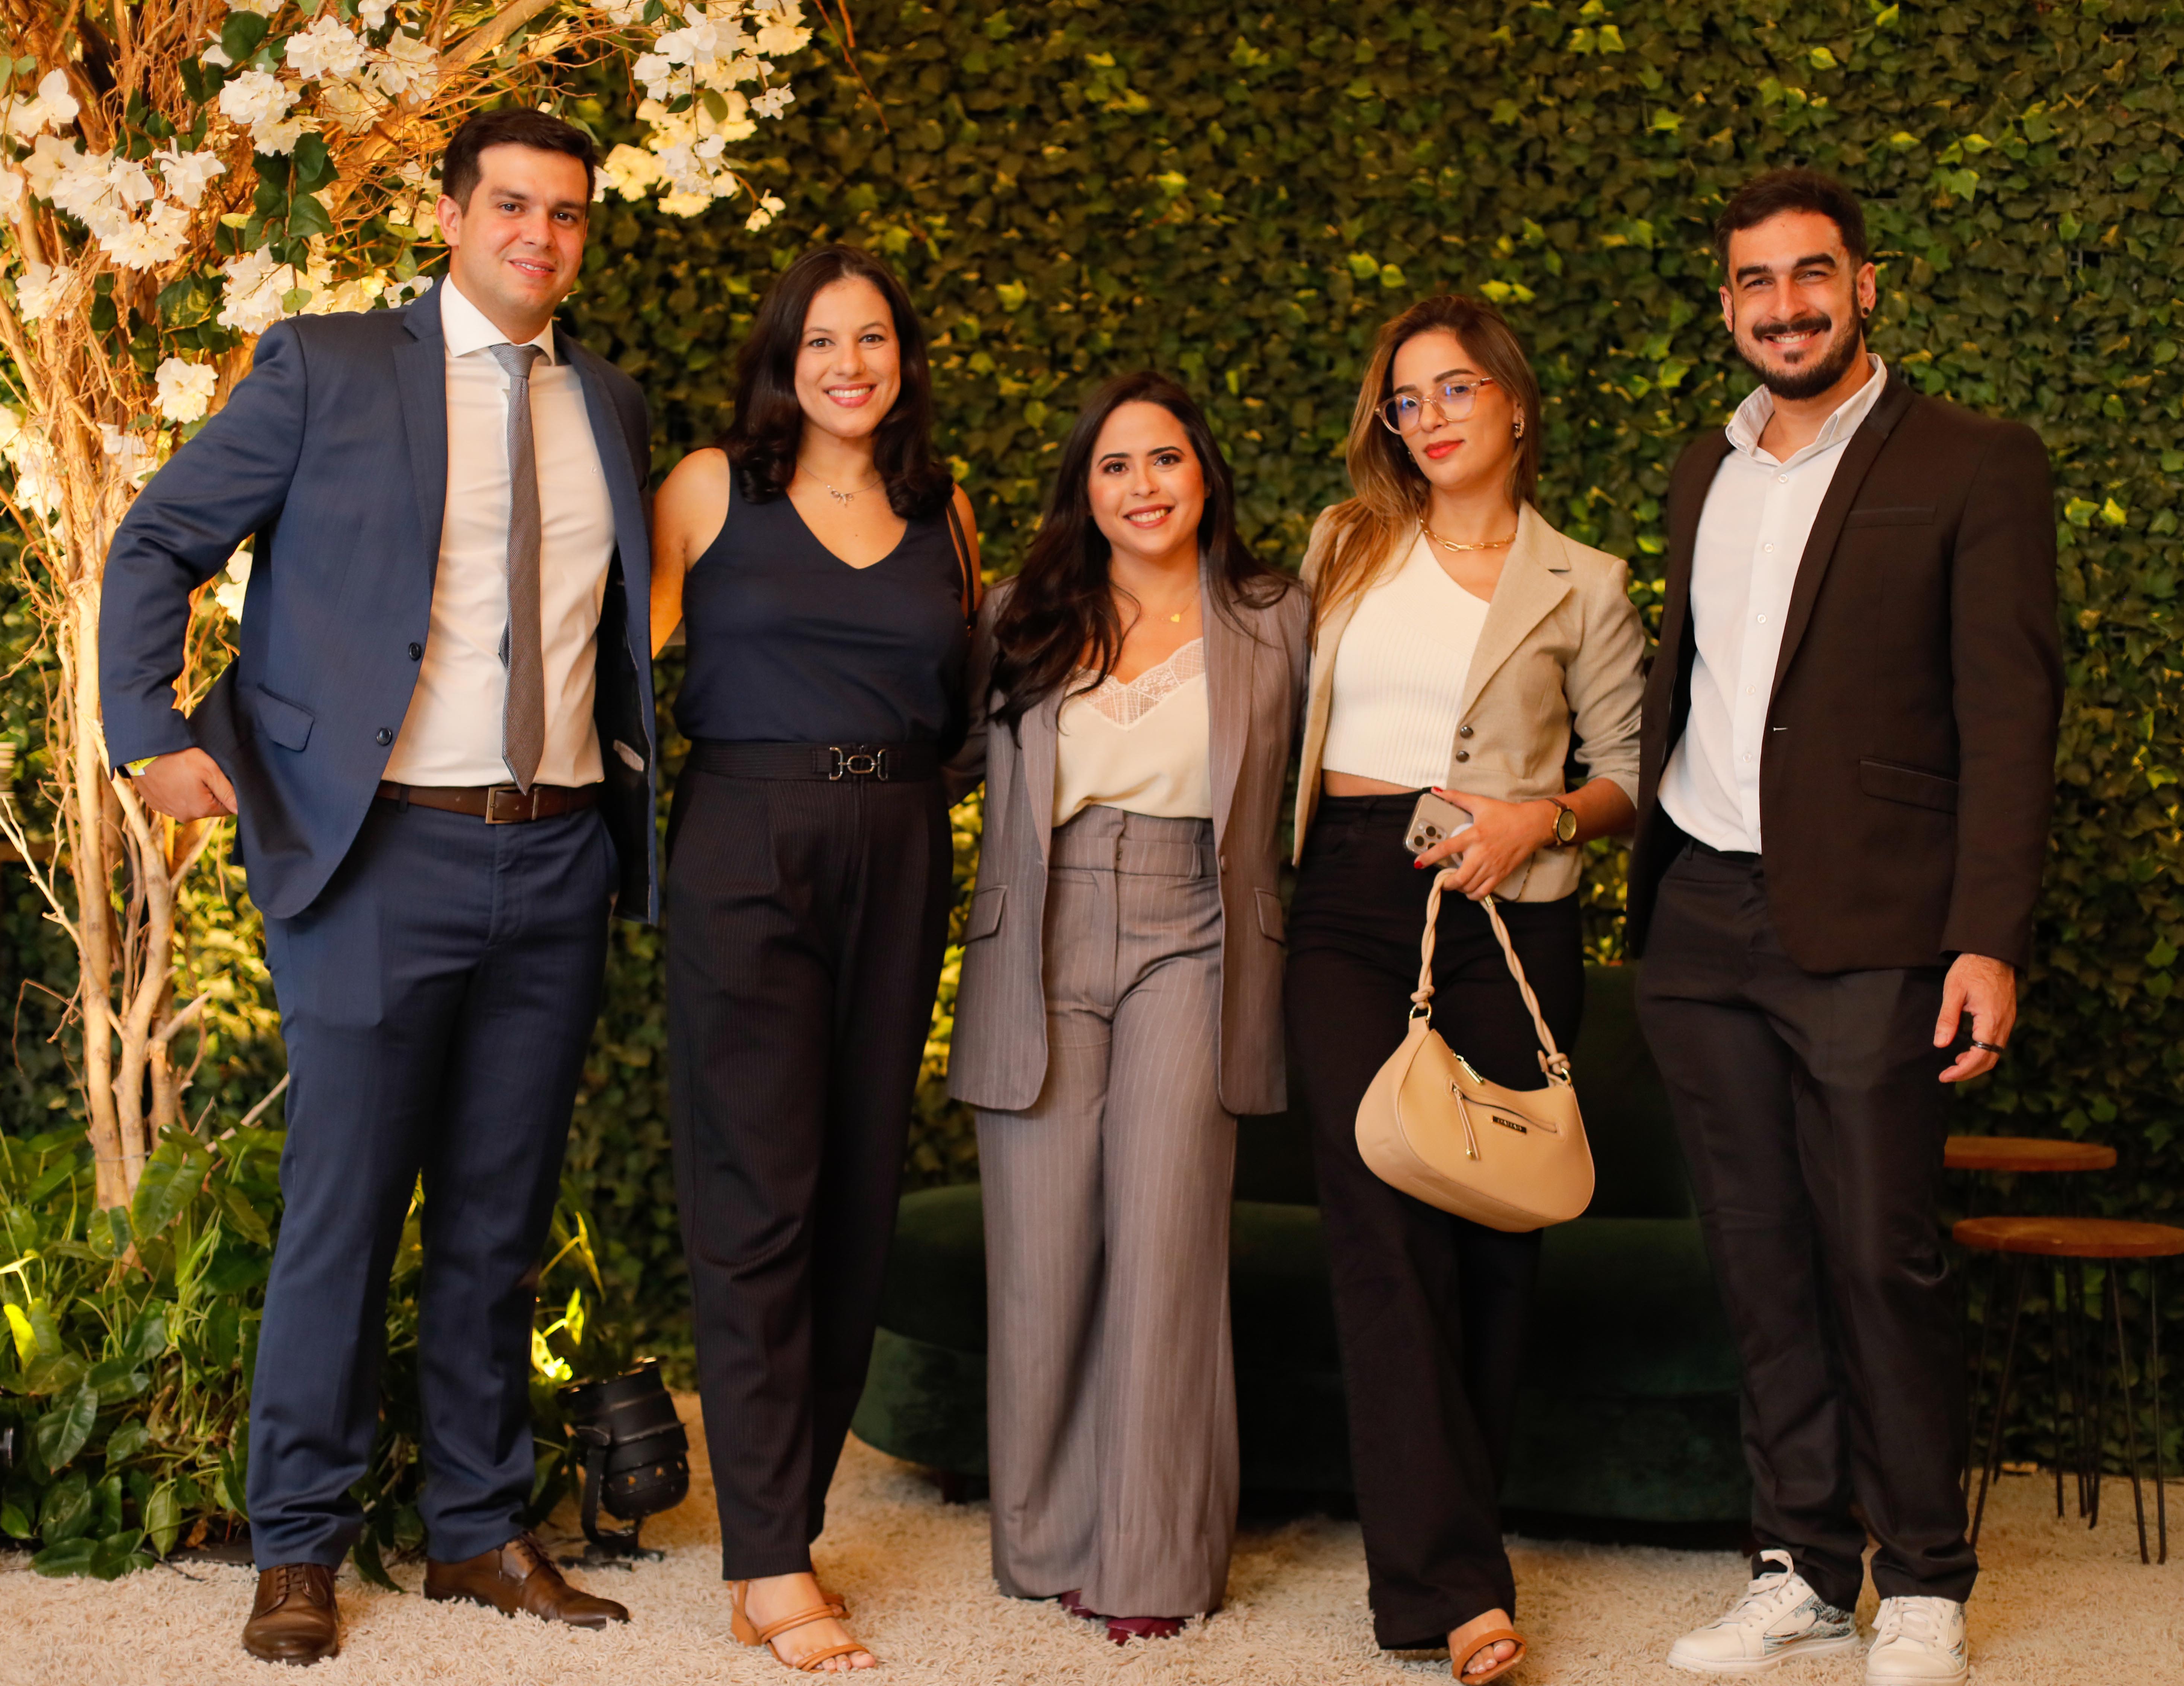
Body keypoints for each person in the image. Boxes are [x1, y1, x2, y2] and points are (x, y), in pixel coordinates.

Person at [98, 110, 654, 1663]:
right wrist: (151, 736)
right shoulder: (328, 368)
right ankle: (298, 1543)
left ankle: (478, 1528)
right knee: (343, 1211)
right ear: (452, 215)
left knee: (498, 1216)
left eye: (568, 214)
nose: (541, 235)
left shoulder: (610, 403)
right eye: (513, 206)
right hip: (374, 849)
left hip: (557, 848)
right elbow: (158, 543)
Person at [1632, 169, 2061, 1686]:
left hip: (1877, 920)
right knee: (1759, 1262)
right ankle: (1801, 1566)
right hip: (1702, 912)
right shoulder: (1702, 468)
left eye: (1812, 274)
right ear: (1728, 303)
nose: (1787, 305)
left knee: (1881, 1255)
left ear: (1865, 285)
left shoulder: (1974, 461)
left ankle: (1926, 1577)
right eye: (1756, 282)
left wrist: (1987, 936)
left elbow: (2011, 717)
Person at [1284, 294, 1646, 1685]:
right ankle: (1454, 1592)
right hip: (1345, 900)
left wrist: (1535, 818)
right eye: (1406, 399)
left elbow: (1629, 776)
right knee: (1380, 1225)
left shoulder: (1586, 582)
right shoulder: (1346, 543)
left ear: (1514, 402)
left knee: (1495, 1242)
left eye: (1453, 390)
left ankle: (1451, 1554)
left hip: (1505, 908)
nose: (1427, 418)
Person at [648, 244, 977, 1675]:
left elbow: (971, 704)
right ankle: (770, 1559)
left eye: (875, 339)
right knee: (758, 1195)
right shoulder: (711, 489)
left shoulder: (943, 508)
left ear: (905, 358)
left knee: (855, 1197)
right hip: (747, 838)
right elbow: (606, 661)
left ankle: (789, 1520)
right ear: (784, 358)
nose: (851, 364)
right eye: (824, 341)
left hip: (898, 844)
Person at [944, 372, 1307, 1643]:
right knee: (1040, 1259)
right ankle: (1046, 1541)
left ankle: (1152, 1564)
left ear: (1205, 473)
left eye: (1164, 459)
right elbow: (940, 754)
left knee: (1165, 1245)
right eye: (1114, 466)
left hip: (1196, 929)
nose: (1142, 486)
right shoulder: (1019, 614)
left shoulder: (1277, 616)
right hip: (1038, 936)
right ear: (1083, 491)